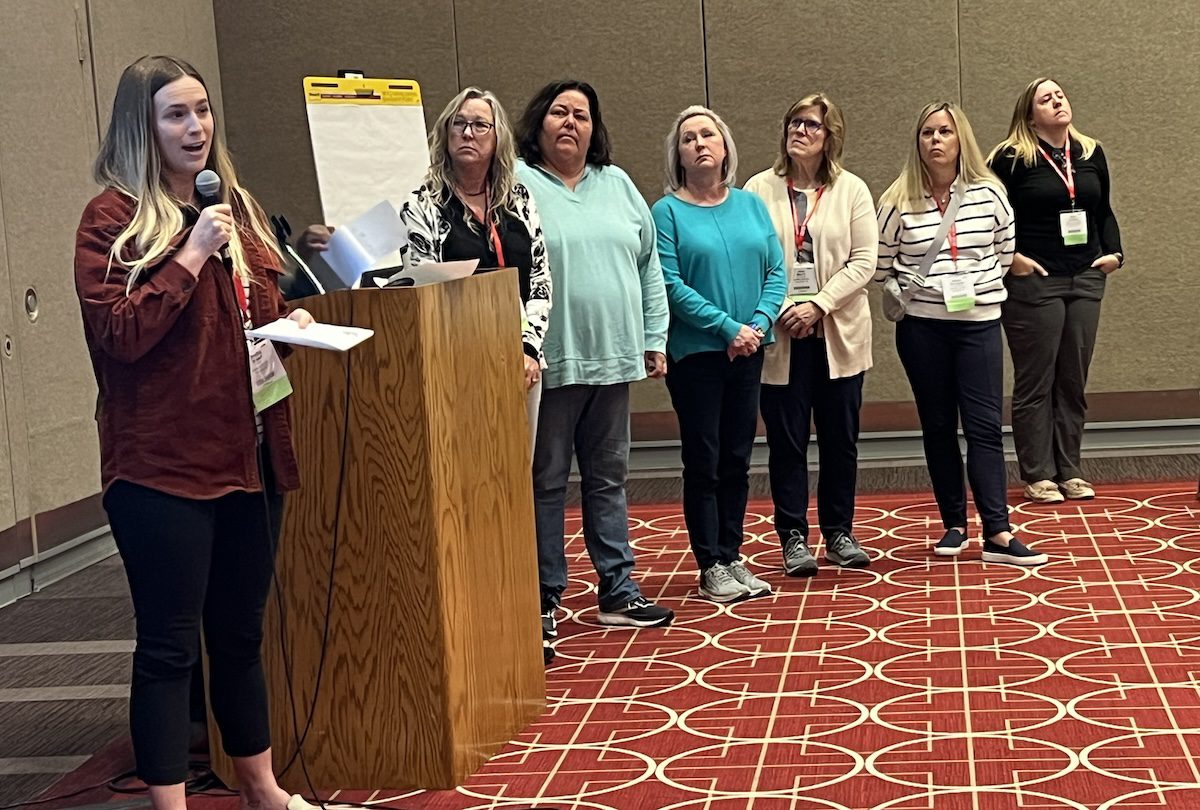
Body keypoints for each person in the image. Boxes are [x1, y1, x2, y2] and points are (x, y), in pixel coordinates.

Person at [73, 56, 314, 810]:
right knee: (170, 646)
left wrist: (290, 324)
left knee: (240, 638)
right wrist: (191, 253)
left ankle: (262, 787)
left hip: (251, 458)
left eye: (203, 111)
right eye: (176, 115)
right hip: (162, 468)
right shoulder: (111, 219)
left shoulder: (233, 207)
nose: (196, 128)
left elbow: (247, 320)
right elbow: (120, 334)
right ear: (142, 128)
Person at [515, 80, 674, 642]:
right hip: (551, 362)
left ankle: (618, 590)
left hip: (615, 359)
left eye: (581, 115)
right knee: (547, 482)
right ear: (538, 124)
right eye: (558, 112)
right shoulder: (517, 183)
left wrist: (655, 338)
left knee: (609, 480)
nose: (569, 123)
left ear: (593, 128)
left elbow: (649, 266)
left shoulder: (619, 184)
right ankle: (543, 598)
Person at [876, 101, 1046, 566]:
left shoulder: (990, 193)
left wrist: (976, 284)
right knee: (938, 427)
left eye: (945, 132)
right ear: (918, 142)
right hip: (923, 329)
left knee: (985, 426)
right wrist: (912, 290)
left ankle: (998, 529)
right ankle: (954, 523)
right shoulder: (897, 199)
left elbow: (1005, 251)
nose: (935, 140)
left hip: (978, 326)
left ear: (960, 140)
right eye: (927, 132)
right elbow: (880, 266)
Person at [652, 106, 787, 602]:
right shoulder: (666, 212)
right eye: (688, 138)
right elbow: (669, 284)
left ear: (725, 147)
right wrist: (728, 327)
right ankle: (709, 562)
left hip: (748, 349)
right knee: (704, 459)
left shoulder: (750, 204)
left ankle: (733, 554)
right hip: (698, 356)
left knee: (737, 457)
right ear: (679, 155)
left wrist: (757, 324)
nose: (699, 143)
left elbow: (776, 271)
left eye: (708, 134)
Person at [743, 93, 876, 577]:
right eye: (793, 123)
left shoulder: (852, 190)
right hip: (781, 337)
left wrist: (818, 304)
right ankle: (793, 536)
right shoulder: (758, 188)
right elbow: (750, 259)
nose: (799, 131)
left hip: (837, 334)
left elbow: (865, 261)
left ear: (829, 138)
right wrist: (785, 309)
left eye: (811, 126)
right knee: (787, 442)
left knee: (841, 440)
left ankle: (840, 532)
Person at [988, 78, 1124, 504]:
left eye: (1060, 94)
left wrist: (1115, 253)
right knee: (1037, 379)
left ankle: (1070, 469)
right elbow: (990, 216)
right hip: (1035, 280)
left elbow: (1103, 209)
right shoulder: (1009, 158)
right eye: (1045, 99)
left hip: (1085, 276)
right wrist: (1012, 258)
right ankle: (1039, 473)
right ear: (1030, 115)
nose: (1057, 101)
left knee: (1073, 378)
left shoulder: (1089, 151)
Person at [399, 87, 552, 452]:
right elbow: (423, 288)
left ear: (497, 137)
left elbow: (540, 279)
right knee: (468, 467)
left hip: (521, 361)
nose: (468, 133)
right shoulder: (424, 204)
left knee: (517, 471)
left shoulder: (519, 199)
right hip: (457, 359)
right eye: (459, 124)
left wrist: (528, 348)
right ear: (445, 134)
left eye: (480, 125)